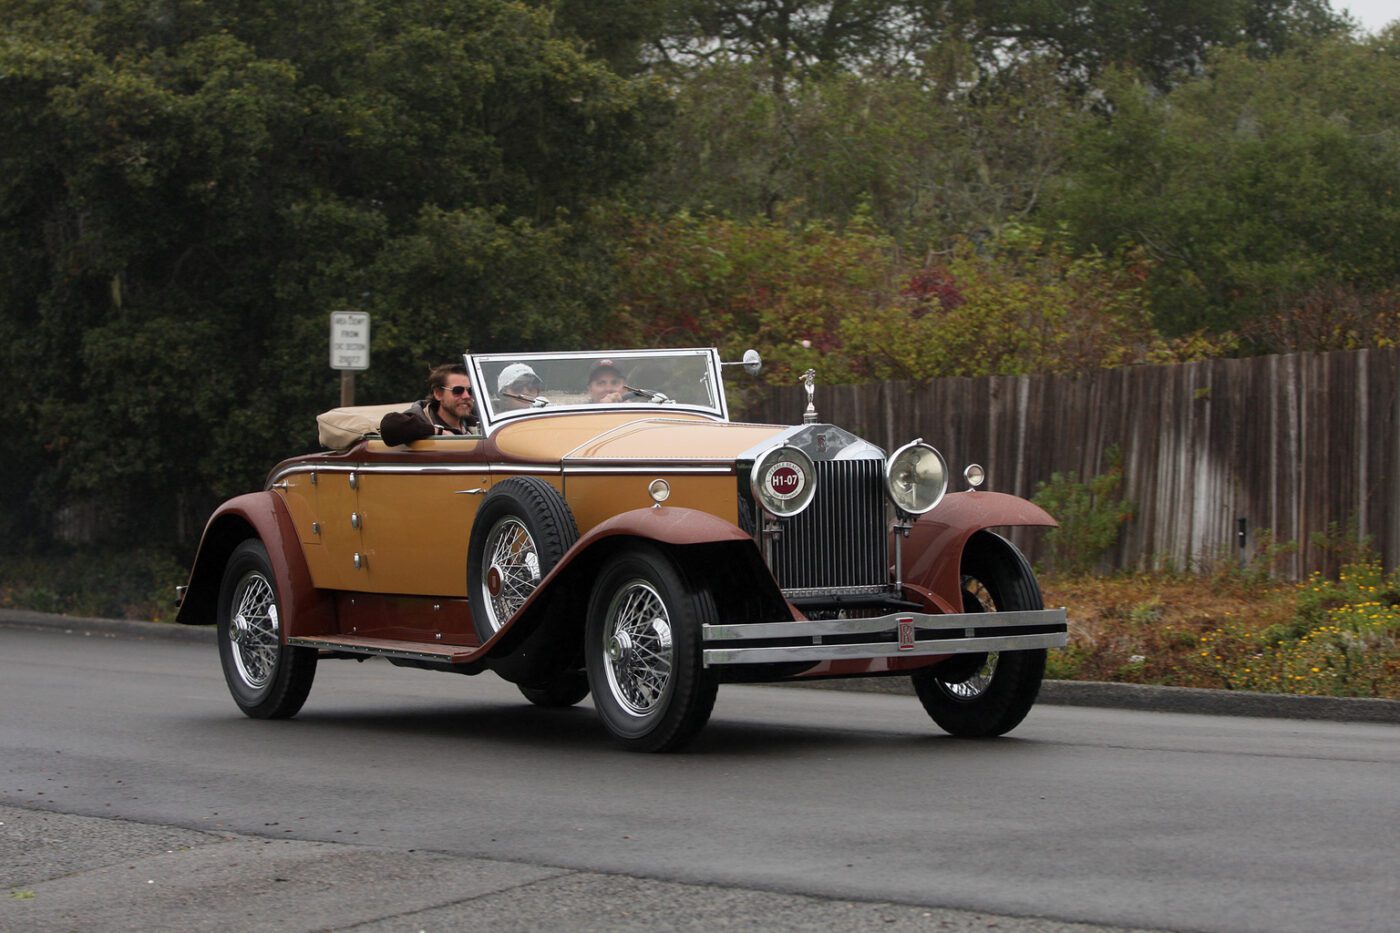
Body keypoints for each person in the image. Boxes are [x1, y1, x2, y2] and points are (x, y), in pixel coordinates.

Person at [379, 363, 477, 445]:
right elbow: (390, 427)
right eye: (457, 390)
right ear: (438, 394)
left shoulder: (477, 424)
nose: (466, 396)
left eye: (470, 391)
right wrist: (437, 431)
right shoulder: (421, 418)